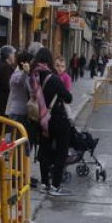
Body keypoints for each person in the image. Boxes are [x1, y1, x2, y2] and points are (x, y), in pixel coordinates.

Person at [33, 48, 74, 196]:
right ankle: (56, 186)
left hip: (41, 119)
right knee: (61, 152)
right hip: (57, 118)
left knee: (44, 151)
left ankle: (44, 183)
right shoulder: (53, 78)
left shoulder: (34, 76)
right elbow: (68, 97)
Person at [0, 46, 16, 116]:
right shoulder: (5, 68)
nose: (14, 56)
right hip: (3, 102)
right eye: (13, 54)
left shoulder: (0, 65)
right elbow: (7, 84)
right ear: (8, 55)